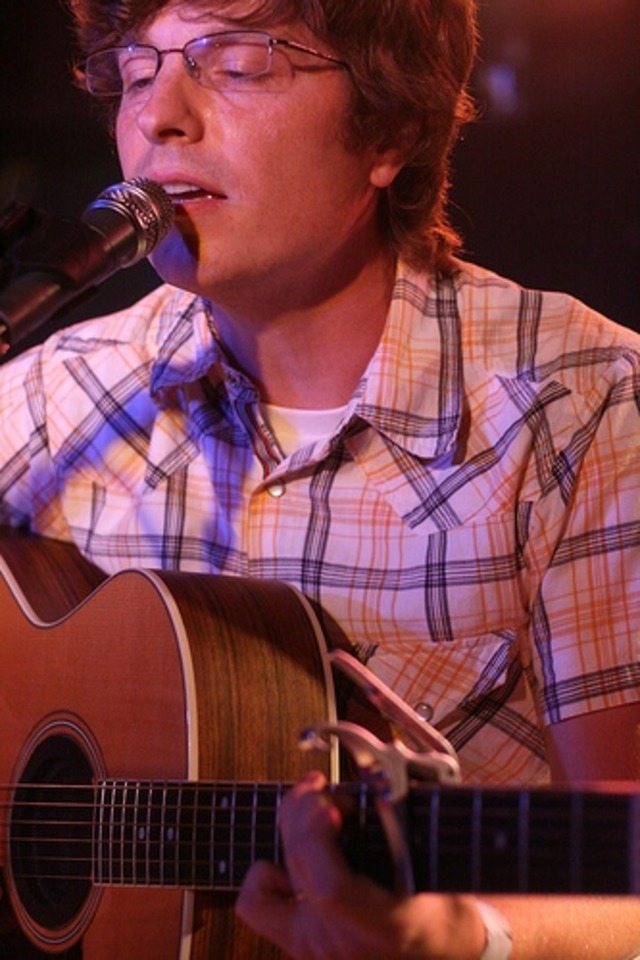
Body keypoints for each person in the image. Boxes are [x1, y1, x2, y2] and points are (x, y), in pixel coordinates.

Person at [0, 0, 638, 958]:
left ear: (390, 131)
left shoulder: (581, 406)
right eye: (135, 73)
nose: (159, 116)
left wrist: (467, 936)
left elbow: (629, 886)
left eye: (236, 65)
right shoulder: (53, 401)